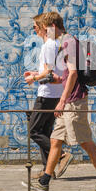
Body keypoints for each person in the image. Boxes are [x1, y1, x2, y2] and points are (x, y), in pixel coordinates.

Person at [22, 12, 96, 191]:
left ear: (53, 27)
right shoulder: (67, 42)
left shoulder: (68, 42)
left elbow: (72, 74)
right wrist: (45, 78)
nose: (45, 33)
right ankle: (44, 182)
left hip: (74, 101)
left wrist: (62, 101)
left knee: (86, 142)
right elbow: (64, 77)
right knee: (55, 141)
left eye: (46, 29)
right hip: (70, 101)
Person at [23, 13, 73, 179]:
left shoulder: (48, 45)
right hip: (55, 94)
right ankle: (48, 171)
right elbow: (52, 70)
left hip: (47, 94)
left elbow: (49, 73)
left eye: (35, 27)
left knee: (34, 131)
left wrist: (34, 77)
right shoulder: (55, 44)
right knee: (46, 131)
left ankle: (61, 155)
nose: (34, 30)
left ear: (43, 27)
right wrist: (37, 73)